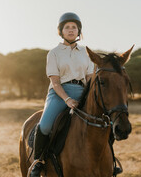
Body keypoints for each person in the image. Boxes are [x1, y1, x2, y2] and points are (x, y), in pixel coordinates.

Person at [29, 12, 94, 177]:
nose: (71, 30)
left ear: (79, 31)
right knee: (44, 126)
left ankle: (109, 161)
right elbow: (55, 82)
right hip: (59, 94)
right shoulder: (54, 53)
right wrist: (67, 99)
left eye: (74, 27)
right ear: (61, 31)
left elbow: (89, 78)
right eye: (67, 27)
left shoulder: (86, 52)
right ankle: (38, 161)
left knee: (103, 121)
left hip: (82, 91)